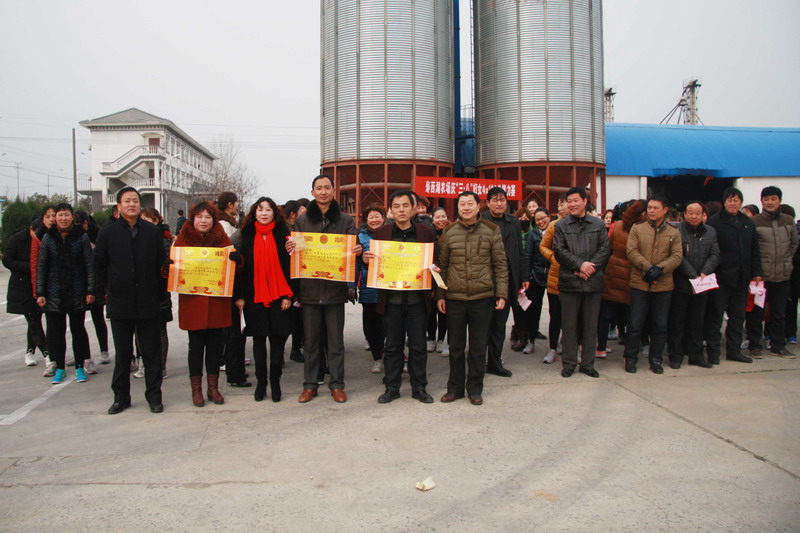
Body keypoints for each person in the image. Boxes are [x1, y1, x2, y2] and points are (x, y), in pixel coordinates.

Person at [286, 174, 361, 404]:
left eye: (327, 187)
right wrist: (291, 247)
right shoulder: (302, 221)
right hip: (309, 290)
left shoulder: (345, 221)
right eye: (319, 188)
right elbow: (297, 253)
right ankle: (310, 385)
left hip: (335, 290)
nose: (323, 192)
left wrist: (357, 249)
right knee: (311, 342)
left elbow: (353, 247)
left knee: (336, 342)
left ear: (333, 190)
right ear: (312, 192)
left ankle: (337, 384)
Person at [95, 187, 167, 414]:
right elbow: (99, 265)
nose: (132, 204)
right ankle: (121, 398)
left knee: (151, 354)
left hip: (148, 301)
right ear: (118, 206)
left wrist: (158, 292)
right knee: (123, 355)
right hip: (120, 302)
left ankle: (154, 397)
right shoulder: (108, 233)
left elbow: (161, 265)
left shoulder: (152, 232)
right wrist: (112, 286)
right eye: (127, 201)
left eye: (135, 200)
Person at [362, 191, 438, 404]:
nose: (401, 210)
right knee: (392, 346)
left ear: (414, 208)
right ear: (391, 210)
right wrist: (366, 260)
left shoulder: (426, 232)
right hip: (391, 301)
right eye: (396, 206)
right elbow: (372, 266)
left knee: (418, 346)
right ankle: (392, 387)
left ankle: (419, 387)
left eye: (405, 205)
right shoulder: (382, 234)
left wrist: (435, 267)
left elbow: (437, 258)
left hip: (417, 301)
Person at [437, 190, 508, 405]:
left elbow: (500, 264)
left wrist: (501, 293)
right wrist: (440, 295)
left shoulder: (492, 230)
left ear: (479, 207)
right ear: (457, 208)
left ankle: (475, 389)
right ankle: (455, 388)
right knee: (456, 347)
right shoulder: (449, 231)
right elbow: (442, 266)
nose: (466, 208)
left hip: (482, 297)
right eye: (462, 204)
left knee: (478, 347)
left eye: (470, 203)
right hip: (455, 297)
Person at [174, 202, 237, 407]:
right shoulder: (183, 238)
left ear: (213, 219)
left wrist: (237, 260)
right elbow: (172, 269)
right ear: (193, 219)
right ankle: (196, 389)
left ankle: (213, 388)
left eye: (208, 217)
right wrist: (169, 266)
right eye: (199, 217)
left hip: (216, 301)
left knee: (215, 347)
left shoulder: (222, 237)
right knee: (195, 347)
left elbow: (233, 268)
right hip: (193, 302)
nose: (203, 221)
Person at [234, 197, 294, 402]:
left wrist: (288, 295)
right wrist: (240, 296)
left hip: (279, 296)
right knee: (258, 342)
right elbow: (241, 269)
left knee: (278, 342)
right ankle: (261, 383)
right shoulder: (246, 234)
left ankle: (275, 382)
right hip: (254, 296)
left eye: (268, 209)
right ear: (255, 213)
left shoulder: (284, 235)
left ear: (274, 213)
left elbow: (290, 266)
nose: (264, 213)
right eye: (260, 209)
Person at [552, 187, 611, 378]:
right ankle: (569, 364)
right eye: (569, 201)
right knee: (569, 325)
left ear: (585, 201)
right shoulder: (561, 226)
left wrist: (590, 268)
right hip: (570, 282)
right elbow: (559, 251)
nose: (572, 204)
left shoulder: (598, 224)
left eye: (575, 200)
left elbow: (605, 249)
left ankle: (587, 364)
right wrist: (580, 265)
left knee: (590, 326)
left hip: (593, 282)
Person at [35, 203, 95, 384]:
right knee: (56, 332)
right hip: (53, 293)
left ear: (72, 217)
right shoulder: (48, 237)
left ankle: (79, 367)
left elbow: (89, 265)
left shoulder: (81, 237)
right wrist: (40, 292)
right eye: (60, 215)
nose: (63, 218)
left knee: (78, 330)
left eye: (66, 215)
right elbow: (41, 266)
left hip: (77, 291)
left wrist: (90, 290)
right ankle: (59, 368)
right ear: (55, 218)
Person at [623, 194, 682, 374]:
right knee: (635, 324)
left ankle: (656, 359)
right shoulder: (637, 228)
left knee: (660, 325)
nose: (651, 211)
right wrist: (648, 268)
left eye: (655, 208)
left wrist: (660, 269)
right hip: (640, 283)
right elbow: (631, 251)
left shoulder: (673, 232)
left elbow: (677, 256)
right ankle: (630, 358)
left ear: (665, 210)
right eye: (649, 207)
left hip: (663, 286)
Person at [705, 187, 763, 365]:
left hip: (741, 278)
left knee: (737, 317)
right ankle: (713, 353)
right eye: (730, 200)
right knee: (715, 317)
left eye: (736, 200)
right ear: (724, 202)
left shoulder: (747, 223)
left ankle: (734, 351)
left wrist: (757, 273)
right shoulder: (714, 221)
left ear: (741, 203)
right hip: (720, 278)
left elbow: (754, 249)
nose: (733, 203)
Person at [667, 201, 720, 369]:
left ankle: (696, 355)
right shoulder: (676, 230)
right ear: (684, 214)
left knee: (698, 322)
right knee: (677, 322)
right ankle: (676, 356)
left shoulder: (710, 231)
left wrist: (704, 272)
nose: (694, 216)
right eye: (690, 212)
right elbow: (677, 256)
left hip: (702, 284)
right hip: (681, 283)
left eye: (698, 213)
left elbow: (715, 254)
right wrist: (693, 274)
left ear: (703, 215)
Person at [748, 186, 798, 358]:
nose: (770, 202)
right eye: (766, 199)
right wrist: (756, 269)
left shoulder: (788, 221)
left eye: (773, 199)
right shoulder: (754, 222)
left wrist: (787, 261)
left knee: (779, 313)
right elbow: (751, 248)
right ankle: (755, 345)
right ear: (761, 201)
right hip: (760, 276)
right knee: (756, 312)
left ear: (780, 201)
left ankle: (778, 345)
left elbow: (794, 244)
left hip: (782, 275)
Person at [482, 186, 524, 377]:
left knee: (499, 325)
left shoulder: (513, 222)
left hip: (507, 281)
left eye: (502, 200)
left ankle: (495, 362)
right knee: (482, 325)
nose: (499, 204)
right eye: (495, 200)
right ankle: (478, 361)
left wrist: (523, 277)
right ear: (488, 202)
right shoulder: (480, 220)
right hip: (484, 280)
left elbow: (520, 251)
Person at [597, 200, 646, 357]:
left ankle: (601, 347)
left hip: (613, 272)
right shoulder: (642, 229)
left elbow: (608, 247)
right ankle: (631, 349)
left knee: (606, 313)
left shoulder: (618, 226)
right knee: (632, 316)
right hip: (632, 273)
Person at [133, 208, 174, 379]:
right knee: (140, 330)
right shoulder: (134, 238)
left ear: (156, 221)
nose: (144, 222)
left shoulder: (164, 240)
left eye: (148, 219)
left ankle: (161, 366)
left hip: (159, 292)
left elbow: (168, 268)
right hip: (139, 292)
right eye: (141, 219)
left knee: (160, 330)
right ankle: (144, 362)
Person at [3, 217, 49, 368]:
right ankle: (47, 353)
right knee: (33, 319)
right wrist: (31, 266)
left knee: (35, 317)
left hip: (38, 285)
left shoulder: (44, 239)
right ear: (30, 229)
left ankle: (30, 351)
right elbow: (7, 260)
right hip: (21, 285)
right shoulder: (16, 239)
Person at [353, 204, 386, 374]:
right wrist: (351, 286)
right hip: (368, 288)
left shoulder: (391, 233)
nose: (374, 219)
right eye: (370, 217)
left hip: (388, 287)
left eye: (377, 216)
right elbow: (355, 263)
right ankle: (377, 357)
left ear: (383, 218)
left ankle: (391, 354)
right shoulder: (360, 237)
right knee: (371, 325)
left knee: (389, 324)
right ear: (366, 220)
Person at [75, 210, 108, 370]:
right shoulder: (73, 237)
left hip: (97, 284)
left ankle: (104, 350)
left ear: (85, 224)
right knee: (78, 323)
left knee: (98, 318)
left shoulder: (98, 236)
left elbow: (103, 262)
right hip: (79, 284)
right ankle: (82, 354)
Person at [539, 195, 569, 363]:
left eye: (562, 204)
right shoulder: (553, 225)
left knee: (572, 317)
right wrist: (553, 257)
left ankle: (570, 346)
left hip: (575, 278)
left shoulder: (581, 224)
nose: (560, 208)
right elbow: (543, 246)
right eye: (559, 204)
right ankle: (552, 348)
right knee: (555, 316)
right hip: (555, 278)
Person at [520, 207, 550, 354]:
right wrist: (527, 276)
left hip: (552, 276)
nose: (541, 221)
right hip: (536, 275)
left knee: (556, 311)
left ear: (549, 217)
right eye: (537, 219)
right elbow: (527, 256)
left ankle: (556, 344)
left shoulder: (555, 232)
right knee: (533, 310)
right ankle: (531, 340)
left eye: (543, 218)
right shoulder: (533, 234)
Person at [284, 200, 305, 363]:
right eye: (302, 211)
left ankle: (296, 348)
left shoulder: (303, 230)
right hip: (289, 281)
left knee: (298, 318)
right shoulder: (286, 233)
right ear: (293, 215)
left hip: (299, 280)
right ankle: (291, 349)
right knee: (290, 319)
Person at [428, 206, 449, 355]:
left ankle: (441, 339)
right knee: (430, 311)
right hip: (431, 276)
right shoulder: (428, 233)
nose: (441, 220)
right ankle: (431, 338)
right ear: (432, 219)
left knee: (443, 310)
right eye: (438, 217)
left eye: (443, 216)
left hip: (446, 276)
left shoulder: (451, 232)